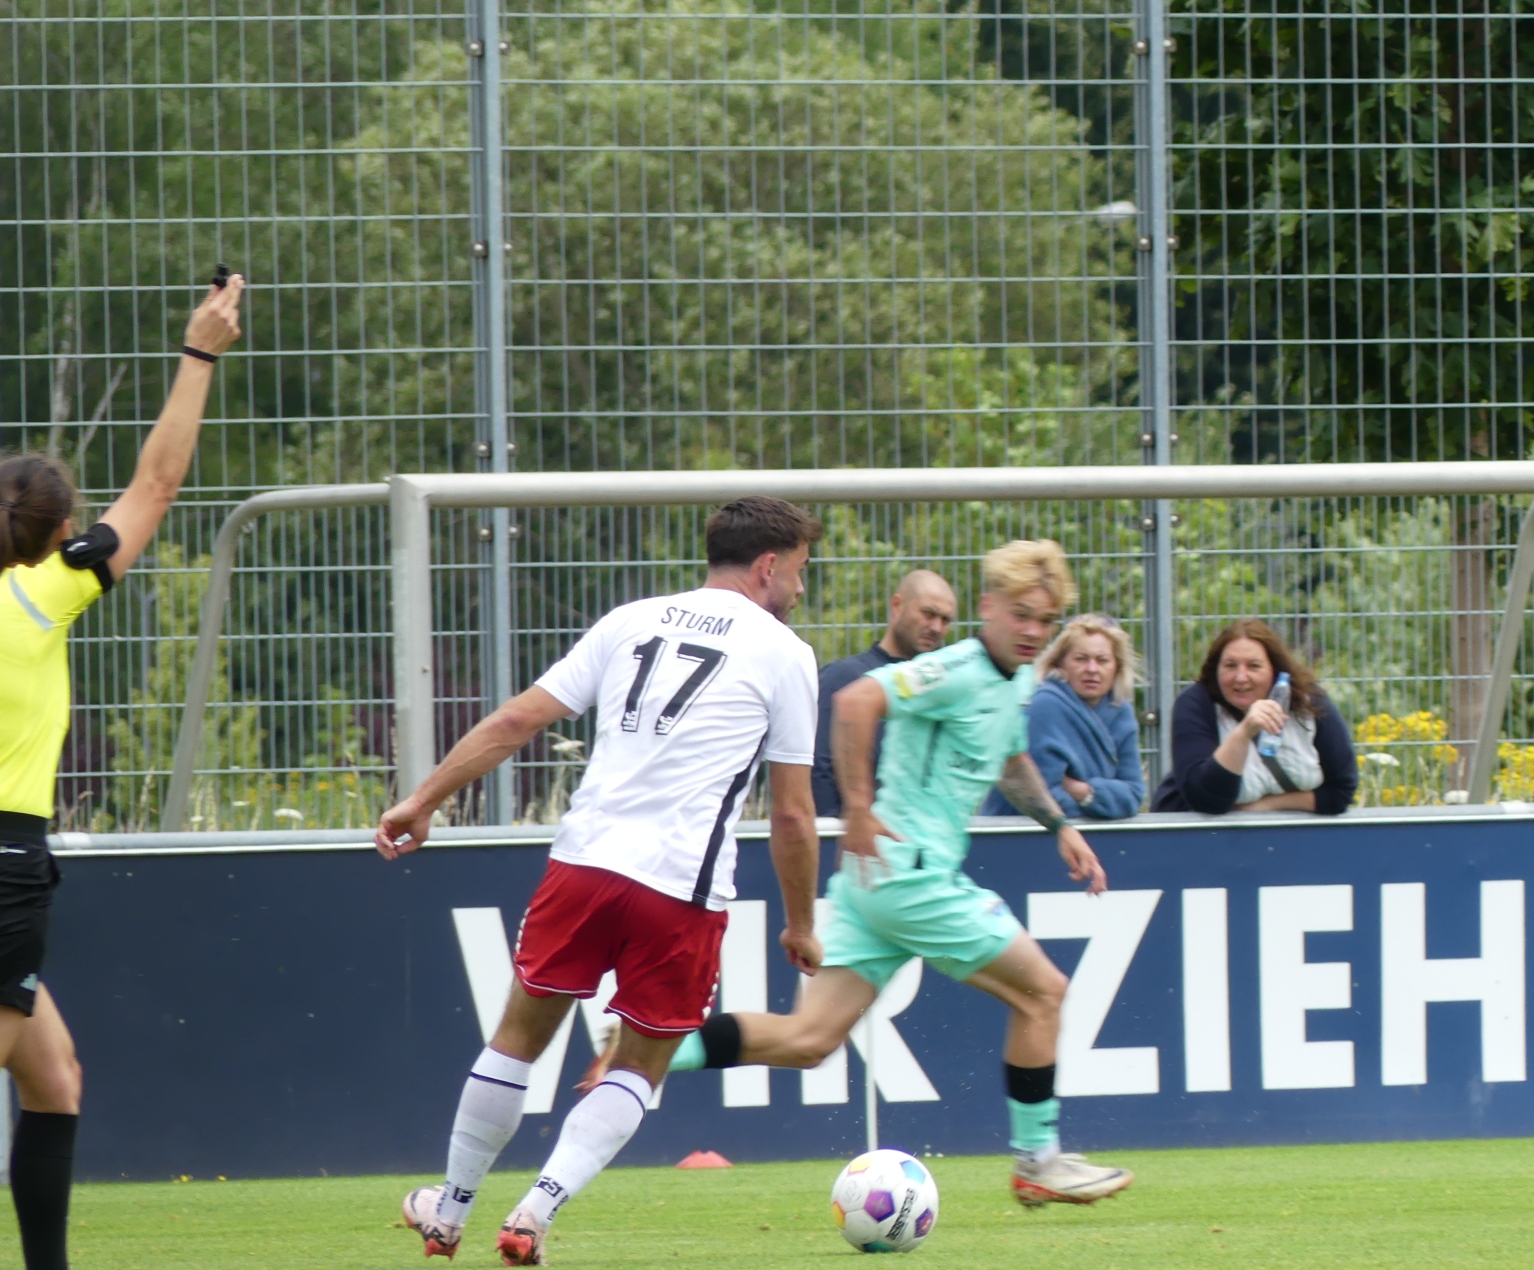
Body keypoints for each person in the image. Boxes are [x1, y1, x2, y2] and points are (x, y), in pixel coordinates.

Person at [379, 496, 825, 1265]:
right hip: (680, 889)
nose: (800, 588)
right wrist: (800, 922)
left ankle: (448, 1214)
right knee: (640, 1067)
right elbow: (791, 814)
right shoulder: (786, 654)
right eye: (800, 571)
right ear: (767, 566)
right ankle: (534, 1212)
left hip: (584, 865)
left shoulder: (631, 621)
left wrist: (423, 800)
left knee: (517, 1040)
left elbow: (516, 722)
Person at [667, 540, 1134, 1207]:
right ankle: (1038, 1162)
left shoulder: (1016, 680)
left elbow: (1009, 761)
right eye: (1022, 615)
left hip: (876, 885)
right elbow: (857, 700)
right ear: (989, 607)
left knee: (808, 1040)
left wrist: (1059, 826)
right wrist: (857, 809)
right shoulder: (955, 669)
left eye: (1046, 620)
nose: (1034, 631)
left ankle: (657, 1048)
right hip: (912, 875)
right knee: (1044, 994)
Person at [0, 269, 246, 1270]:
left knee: (53, 1076)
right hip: (4, 863)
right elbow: (156, 486)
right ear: (61, 534)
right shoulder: (42, 595)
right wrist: (199, 354)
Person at [1152, 618, 1357, 816]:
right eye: (1230, 665)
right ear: (1216, 669)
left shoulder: (1310, 702)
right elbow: (1207, 801)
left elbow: (1341, 791)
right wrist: (1244, 732)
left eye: (1254, 666)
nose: (1241, 677)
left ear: (1275, 670)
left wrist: (1264, 807)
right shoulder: (1195, 704)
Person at [811, 569, 957, 815]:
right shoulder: (844, 679)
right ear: (897, 605)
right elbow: (819, 768)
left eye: (945, 620)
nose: (936, 627)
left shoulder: (942, 689)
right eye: (928, 614)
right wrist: (839, 829)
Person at [981, 614, 1145, 820]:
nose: (1092, 669)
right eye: (1080, 659)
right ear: (1061, 663)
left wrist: (1083, 792)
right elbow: (1043, 796)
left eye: (1102, 660)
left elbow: (1134, 794)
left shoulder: (1121, 710)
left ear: (1117, 666)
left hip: (1087, 831)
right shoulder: (1043, 707)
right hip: (1020, 829)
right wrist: (1102, 809)